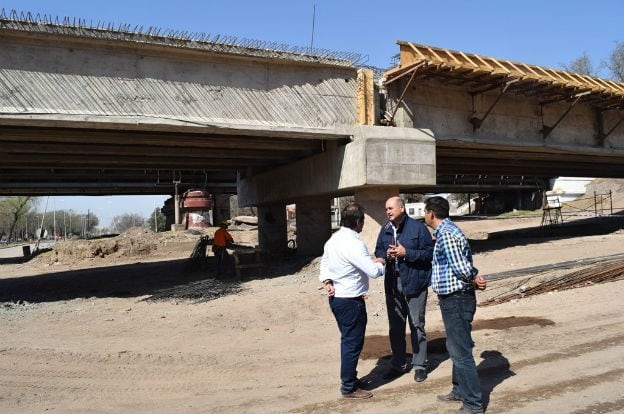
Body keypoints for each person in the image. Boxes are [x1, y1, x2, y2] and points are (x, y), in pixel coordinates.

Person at [423, 196, 487, 414]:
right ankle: (459, 390)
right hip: (455, 298)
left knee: (461, 352)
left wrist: (473, 277)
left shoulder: (447, 234)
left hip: (456, 299)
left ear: (431, 213)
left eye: (425, 211)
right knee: (455, 347)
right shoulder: (446, 231)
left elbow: (461, 267)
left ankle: (473, 404)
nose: (424, 215)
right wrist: (474, 279)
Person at [319, 202, 385, 399]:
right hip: (350, 301)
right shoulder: (355, 244)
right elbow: (373, 272)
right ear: (358, 222)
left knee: (348, 342)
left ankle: (351, 379)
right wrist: (382, 263)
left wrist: (326, 280)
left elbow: (324, 263)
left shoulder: (333, 240)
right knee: (352, 344)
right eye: (362, 221)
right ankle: (348, 387)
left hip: (338, 298)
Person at [374, 196, 434, 382]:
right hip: (393, 285)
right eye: (386, 209)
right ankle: (398, 364)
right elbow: (378, 250)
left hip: (415, 283)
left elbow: (429, 253)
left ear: (402, 208)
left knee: (417, 325)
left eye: (390, 208)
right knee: (396, 327)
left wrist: (406, 253)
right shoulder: (385, 230)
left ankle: (419, 365)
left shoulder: (418, 228)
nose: (388, 212)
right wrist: (383, 257)